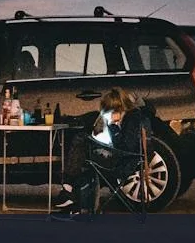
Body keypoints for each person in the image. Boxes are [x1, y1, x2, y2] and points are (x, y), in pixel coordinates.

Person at [51, 87, 146, 218]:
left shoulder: (132, 119)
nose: (109, 115)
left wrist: (113, 126)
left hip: (123, 162)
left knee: (81, 142)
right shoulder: (128, 117)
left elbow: (125, 147)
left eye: (110, 111)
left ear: (118, 108)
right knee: (82, 155)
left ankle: (68, 190)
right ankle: (72, 200)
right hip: (118, 157)